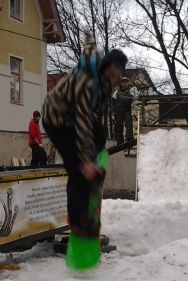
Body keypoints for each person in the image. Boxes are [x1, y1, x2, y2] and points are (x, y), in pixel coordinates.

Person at [42, 34, 127, 239]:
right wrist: (86, 160)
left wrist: (95, 155)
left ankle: (91, 166)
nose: (114, 81)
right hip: (56, 119)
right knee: (77, 168)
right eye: (112, 75)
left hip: (73, 115)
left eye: (118, 77)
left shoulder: (106, 84)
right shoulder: (85, 82)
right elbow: (82, 121)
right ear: (105, 68)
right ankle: (78, 222)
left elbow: (89, 118)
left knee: (100, 132)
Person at [112, 77, 135, 145]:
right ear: (121, 83)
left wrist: (123, 98)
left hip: (127, 110)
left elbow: (136, 97)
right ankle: (119, 141)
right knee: (119, 126)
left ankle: (129, 139)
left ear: (128, 83)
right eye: (123, 82)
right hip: (118, 111)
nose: (124, 83)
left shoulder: (132, 91)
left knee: (128, 123)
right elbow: (113, 101)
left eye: (126, 82)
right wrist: (113, 111)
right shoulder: (116, 91)